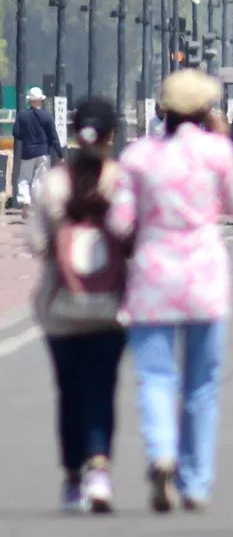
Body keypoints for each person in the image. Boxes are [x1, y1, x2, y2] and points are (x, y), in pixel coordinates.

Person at [106, 69, 233, 513]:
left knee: (155, 376)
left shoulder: (139, 157)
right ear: (208, 112)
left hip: (152, 277)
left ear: (161, 112)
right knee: (202, 385)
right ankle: (195, 482)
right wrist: (224, 142)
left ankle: (162, 453)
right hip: (204, 277)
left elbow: (118, 222)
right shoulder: (215, 152)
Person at [26, 97, 127, 514]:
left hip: (61, 308)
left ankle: (71, 478)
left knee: (69, 392)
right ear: (111, 137)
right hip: (111, 307)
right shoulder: (120, 182)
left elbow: (36, 242)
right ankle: (99, 469)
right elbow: (130, 237)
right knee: (101, 388)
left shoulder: (54, 184)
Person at [12, 87, 65, 220]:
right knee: (40, 180)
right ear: (40, 101)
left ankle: (25, 201)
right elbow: (53, 136)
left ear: (29, 101)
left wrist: (26, 136)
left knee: (24, 179)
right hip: (43, 152)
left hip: (27, 152)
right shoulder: (47, 116)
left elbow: (16, 133)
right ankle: (37, 207)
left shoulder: (22, 115)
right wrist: (60, 153)